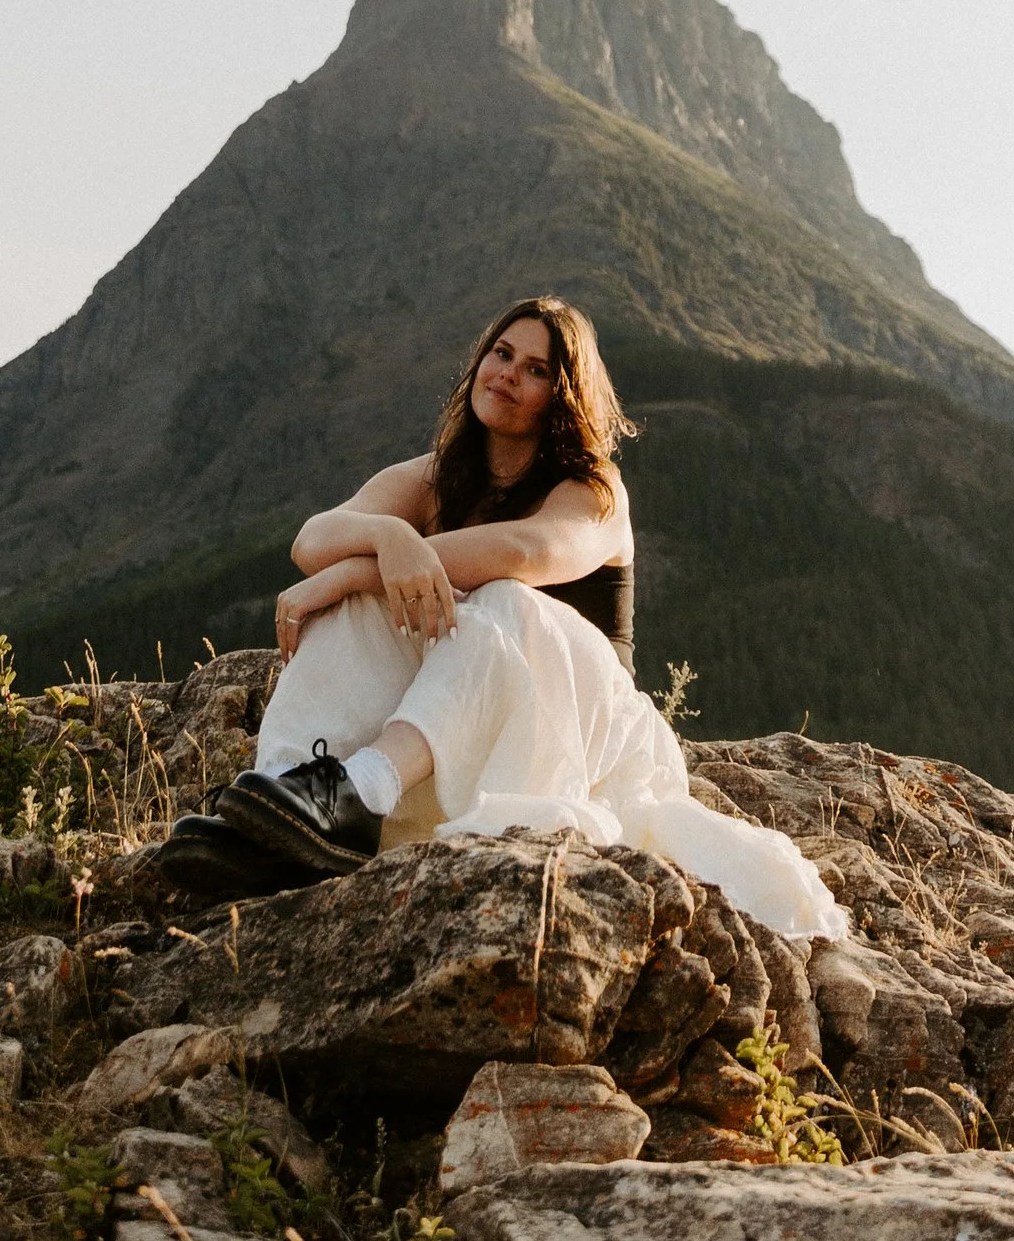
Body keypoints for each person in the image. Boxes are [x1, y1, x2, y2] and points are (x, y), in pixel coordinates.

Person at [163, 295, 845, 944]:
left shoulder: (593, 490)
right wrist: (387, 544)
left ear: (564, 396)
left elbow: (525, 552)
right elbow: (314, 538)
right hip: (460, 740)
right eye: (502, 354)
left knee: (504, 598)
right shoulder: (437, 476)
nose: (509, 374)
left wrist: (361, 563)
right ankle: (292, 802)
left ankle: (362, 788)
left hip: (582, 734)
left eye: (538, 369)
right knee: (356, 608)